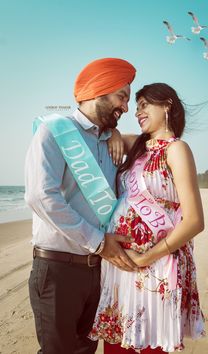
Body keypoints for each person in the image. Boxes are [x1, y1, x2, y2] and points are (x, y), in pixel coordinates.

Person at [24, 57, 137, 354]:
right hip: (58, 269)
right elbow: (40, 196)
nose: (126, 107)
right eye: (121, 96)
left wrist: (115, 133)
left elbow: (157, 141)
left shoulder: (110, 141)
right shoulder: (54, 131)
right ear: (98, 91)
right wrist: (100, 243)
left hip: (98, 272)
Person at [90, 83, 206, 353]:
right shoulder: (137, 146)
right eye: (137, 105)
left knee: (148, 345)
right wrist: (117, 132)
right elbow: (106, 134)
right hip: (121, 266)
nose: (138, 111)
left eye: (144, 105)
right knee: (118, 345)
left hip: (157, 265)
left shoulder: (177, 149)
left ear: (166, 105)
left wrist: (146, 257)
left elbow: (194, 221)